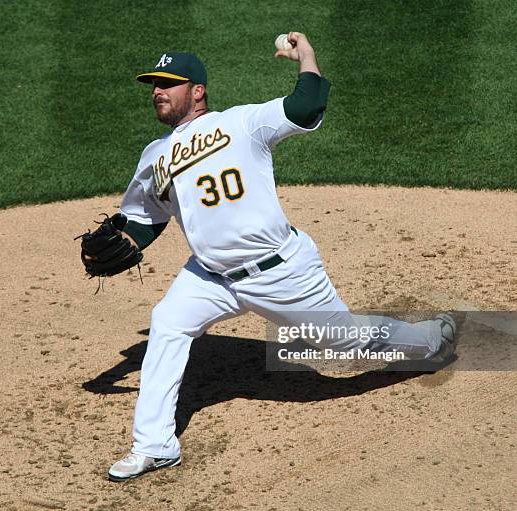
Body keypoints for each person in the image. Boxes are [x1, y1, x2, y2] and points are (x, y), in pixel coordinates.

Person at [104, 32, 457, 481]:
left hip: (280, 271)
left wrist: (306, 57)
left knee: (346, 345)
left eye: (168, 83)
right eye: (154, 84)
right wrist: (123, 243)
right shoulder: (154, 156)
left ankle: (431, 338)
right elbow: (145, 219)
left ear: (197, 91)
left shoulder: (242, 123)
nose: (157, 91)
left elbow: (306, 106)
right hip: (210, 277)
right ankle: (154, 445)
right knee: (168, 322)